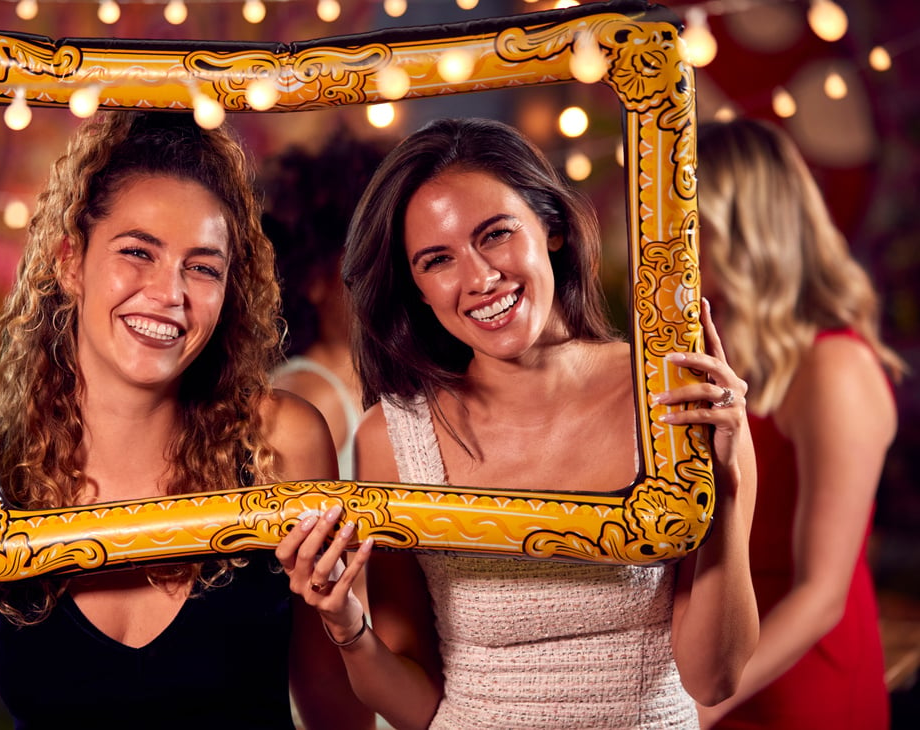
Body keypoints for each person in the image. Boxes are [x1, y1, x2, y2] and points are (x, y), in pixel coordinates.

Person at [276, 117, 759, 729]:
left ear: (550, 227)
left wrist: (727, 486)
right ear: (418, 289)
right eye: (437, 260)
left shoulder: (671, 397)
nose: (480, 279)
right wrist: (346, 626)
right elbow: (418, 709)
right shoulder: (395, 436)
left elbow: (714, 679)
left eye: (496, 234)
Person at [0, 110, 373, 730]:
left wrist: (347, 620)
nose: (168, 293)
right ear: (71, 261)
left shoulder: (280, 442)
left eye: (202, 267)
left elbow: (337, 715)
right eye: (137, 252)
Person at [693, 118, 905, 729]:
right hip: (723, 658)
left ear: (742, 228)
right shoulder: (721, 351)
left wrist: (694, 709)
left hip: (797, 683)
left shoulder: (835, 366)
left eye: (687, 224)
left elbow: (821, 595)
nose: (664, 245)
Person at [263, 127, 391, 480]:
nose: (386, 280)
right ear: (313, 279)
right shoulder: (310, 395)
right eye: (365, 262)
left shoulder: (370, 385)